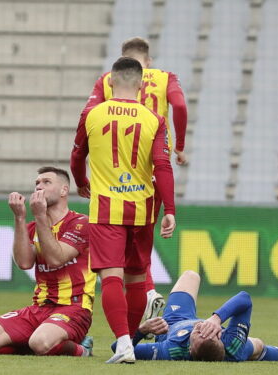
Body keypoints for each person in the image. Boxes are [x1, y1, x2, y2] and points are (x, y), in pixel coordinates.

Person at [70, 57, 176, 364]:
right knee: (135, 280)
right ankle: (127, 342)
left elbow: (77, 155)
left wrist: (80, 182)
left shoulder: (92, 113)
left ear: (110, 82)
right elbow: (162, 166)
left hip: (106, 209)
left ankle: (124, 343)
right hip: (142, 209)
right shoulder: (154, 119)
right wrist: (169, 209)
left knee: (111, 276)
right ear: (142, 85)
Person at [79, 36, 189, 328]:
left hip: (113, 178)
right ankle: (147, 291)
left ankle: (133, 321)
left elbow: (88, 134)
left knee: (113, 267)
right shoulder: (166, 79)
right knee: (140, 253)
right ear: (148, 63)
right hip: (151, 169)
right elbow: (179, 105)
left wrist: (81, 177)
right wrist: (180, 145)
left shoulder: (105, 81)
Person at [0, 167, 95, 357]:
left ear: (64, 190)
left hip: (74, 308)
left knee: (40, 343)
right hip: (39, 307)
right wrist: (19, 218)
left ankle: (82, 348)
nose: (39, 187)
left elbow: (56, 258)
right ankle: (42, 340)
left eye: (46, 182)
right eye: (37, 183)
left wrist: (39, 215)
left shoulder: (80, 223)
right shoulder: (32, 226)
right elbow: (23, 263)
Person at [118, 270, 278, 362]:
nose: (202, 327)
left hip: (173, 322)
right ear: (220, 337)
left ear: (190, 348)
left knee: (190, 276)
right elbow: (244, 298)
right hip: (234, 348)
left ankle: (152, 320)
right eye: (211, 332)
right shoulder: (232, 346)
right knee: (256, 345)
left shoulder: (170, 349)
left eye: (199, 332)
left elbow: (118, 349)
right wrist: (216, 319)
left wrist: (141, 330)